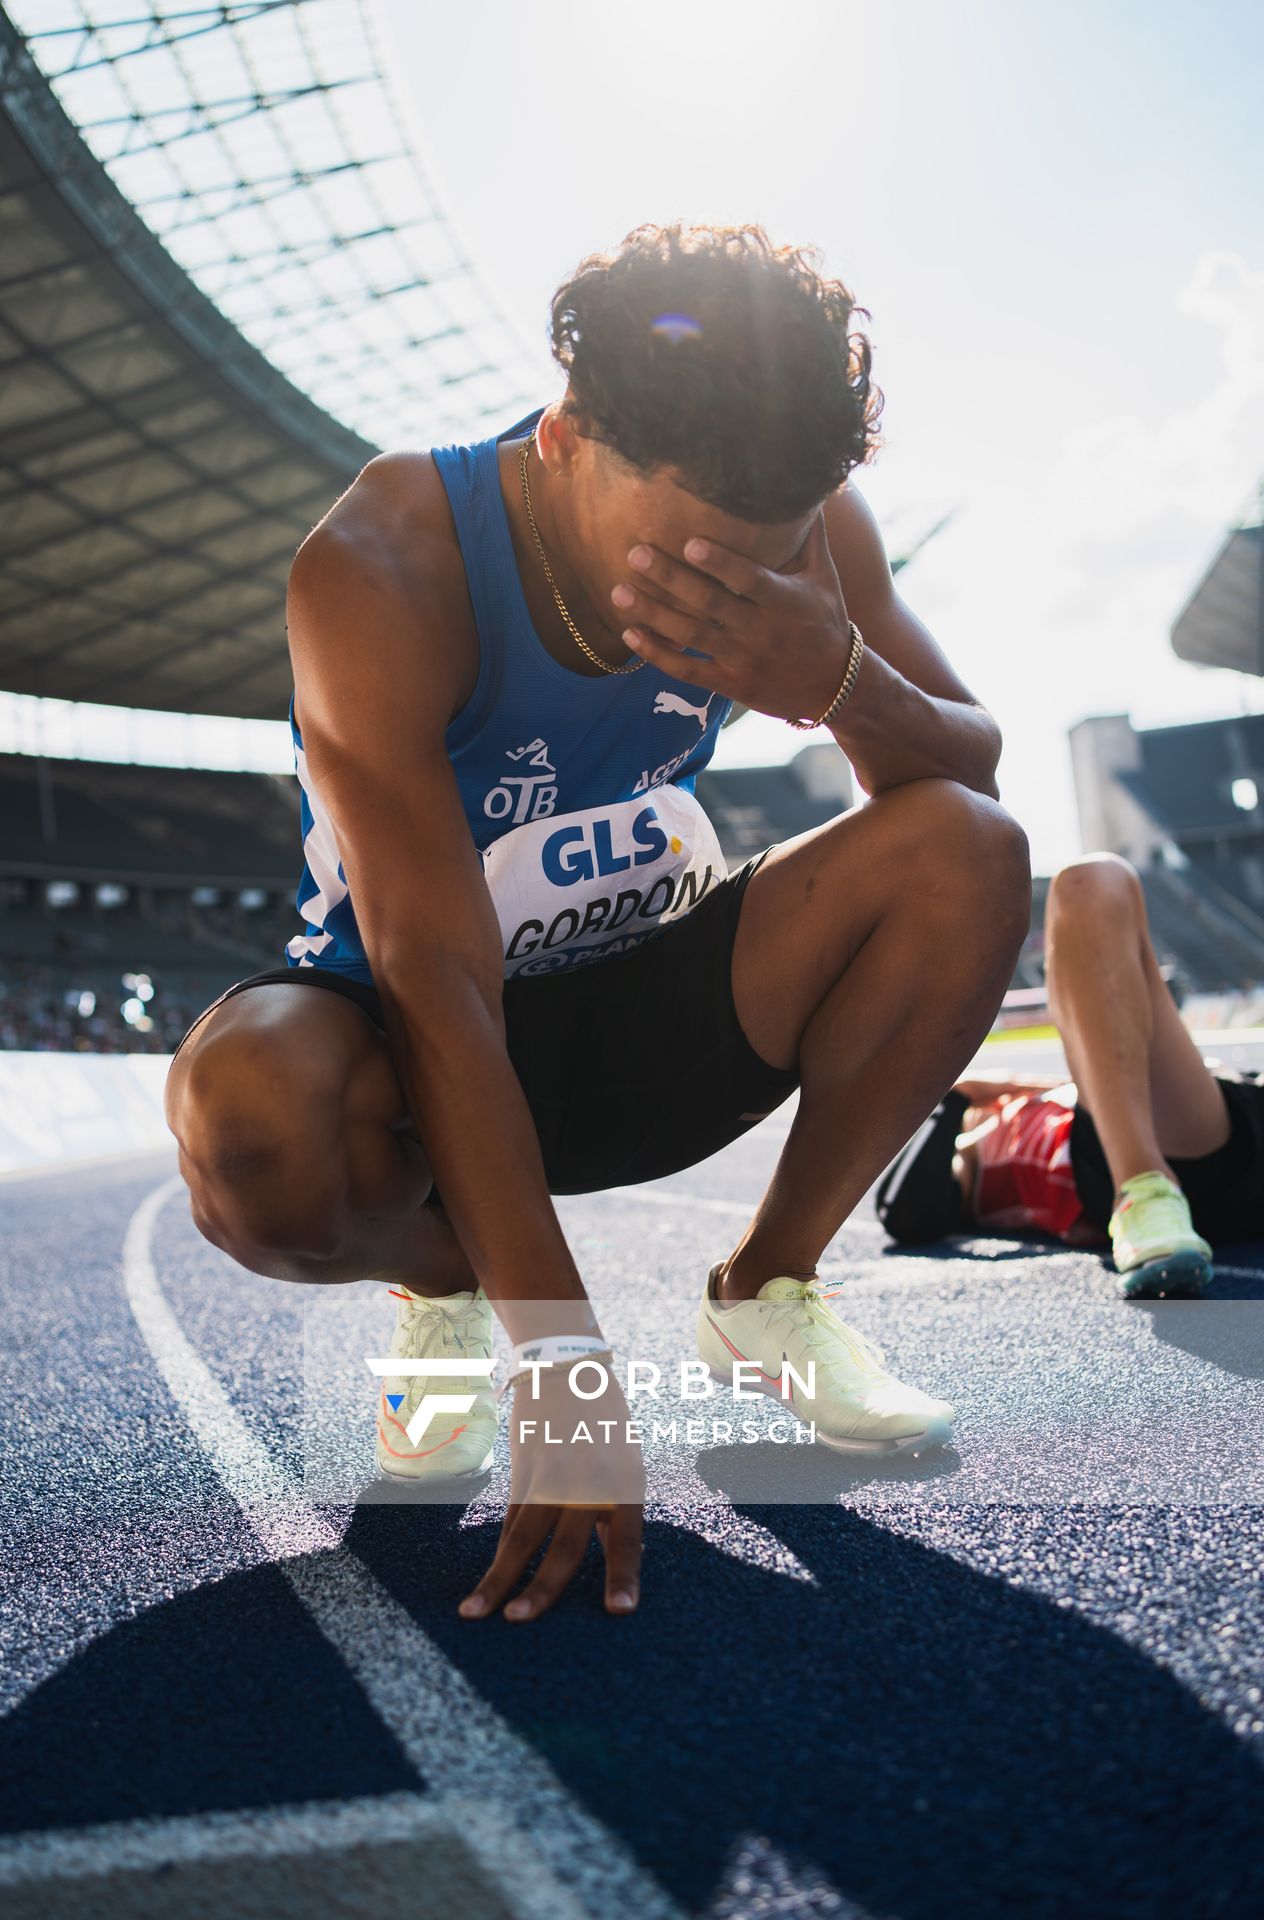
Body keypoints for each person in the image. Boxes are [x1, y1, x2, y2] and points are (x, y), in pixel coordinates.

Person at [164, 222, 1030, 1622]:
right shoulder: (385, 559)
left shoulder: (814, 532)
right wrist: (560, 1361)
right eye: (683, 547)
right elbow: (437, 976)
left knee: (968, 852)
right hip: (412, 1035)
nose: (724, 582)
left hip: (646, 1005)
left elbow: (969, 774)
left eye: (763, 555)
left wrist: (836, 676)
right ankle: (447, 1286)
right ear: (566, 438)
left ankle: (768, 1288)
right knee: (250, 1116)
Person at [876, 852, 1264, 1293]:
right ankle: (1142, 1190)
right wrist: (959, 1095)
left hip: (1223, 1118)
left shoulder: (1066, 1096)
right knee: (1088, 882)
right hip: (1164, 1159)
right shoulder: (976, 1157)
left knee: (1092, 878)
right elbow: (902, 1212)